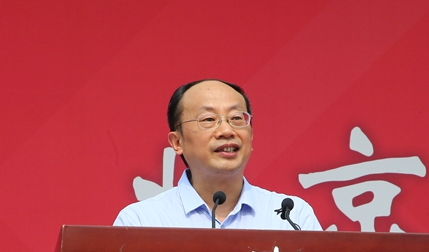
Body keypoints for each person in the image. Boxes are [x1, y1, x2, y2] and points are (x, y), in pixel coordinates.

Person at [113, 79, 322, 230]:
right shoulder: (141, 222)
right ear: (177, 142)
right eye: (208, 119)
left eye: (237, 118)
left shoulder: (292, 217)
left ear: (251, 135)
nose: (226, 131)